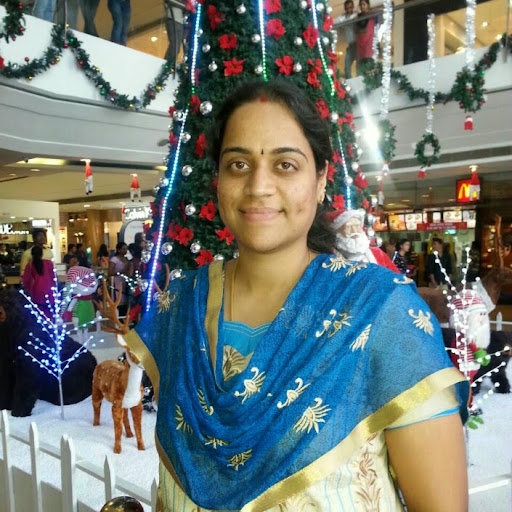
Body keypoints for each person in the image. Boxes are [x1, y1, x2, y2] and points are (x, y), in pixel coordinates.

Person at [122, 81, 468, 511]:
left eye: (285, 165)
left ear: (320, 180)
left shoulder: (378, 310)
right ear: (218, 180)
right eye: (238, 164)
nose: (258, 186)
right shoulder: (182, 307)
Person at [333, 209, 399, 272]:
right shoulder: (333, 258)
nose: (354, 231)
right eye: (348, 227)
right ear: (338, 232)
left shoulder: (377, 253)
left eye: (357, 226)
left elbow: (395, 276)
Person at [22, 246, 55, 314]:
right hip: (49, 290)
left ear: (32, 254)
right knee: (50, 312)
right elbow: (53, 276)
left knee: (39, 313)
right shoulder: (49, 263)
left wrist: (27, 288)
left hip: (36, 291)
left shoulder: (30, 265)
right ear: (42, 254)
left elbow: (26, 279)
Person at [335, 0, 357, 79]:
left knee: (359, 67)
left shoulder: (356, 15)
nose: (348, 10)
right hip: (350, 45)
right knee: (347, 68)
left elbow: (351, 19)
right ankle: (349, 84)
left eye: (350, 8)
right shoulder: (343, 17)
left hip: (358, 45)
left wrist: (344, 21)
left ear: (353, 7)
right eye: (347, 8)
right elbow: (335, 21)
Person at [109, 242, 132, 316]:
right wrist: (121, 272)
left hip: (125, 282)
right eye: (123, 249)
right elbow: (110, 272)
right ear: (118, 250)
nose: (125, 251)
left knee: (125, 302)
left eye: (126, 249)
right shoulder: (114, 259)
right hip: (117, 282)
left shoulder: (126, 259)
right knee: (119, 300)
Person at [356, 0, 376, 74]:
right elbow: (357, 30)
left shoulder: (371, 15)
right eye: (361, 5)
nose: (362, 6)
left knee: (368, 62)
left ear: (368, 5)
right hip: (360, 42)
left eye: (364, 4)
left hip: (368, 42)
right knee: (361, 64)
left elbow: (370, 30)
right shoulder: (358, 16)